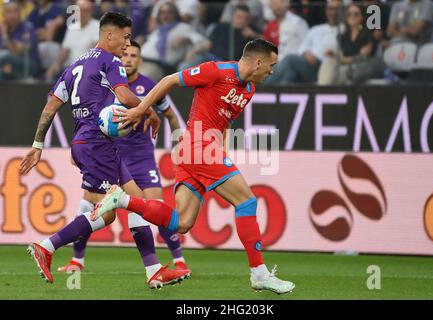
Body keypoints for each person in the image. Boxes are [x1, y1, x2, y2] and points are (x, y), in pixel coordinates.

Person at [92, 39, 296, 294]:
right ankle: (259, 273)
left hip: (201, 152)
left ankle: (122, 201)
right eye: (271, 65)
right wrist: (140, 110)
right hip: (198, 146)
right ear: (258, 62)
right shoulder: (216, 71)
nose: (273, 71)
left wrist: (224, 152)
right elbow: (168, 80)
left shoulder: (248, 90)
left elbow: (225, 122)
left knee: (182, 223)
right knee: (247, 202)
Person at [20, 12, 191, 289]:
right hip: (95, 143)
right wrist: (148, 110)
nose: (127, 45)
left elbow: (50, 107)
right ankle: (47, 246)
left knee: (135, 199)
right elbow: (124, 97)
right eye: (124, 37)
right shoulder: (111, 61)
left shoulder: (75, 64)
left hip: (90, 142)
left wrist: (38, 145)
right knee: (109, 212)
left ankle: (153, 269)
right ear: (109, 35)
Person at [56, 40, 189, 278]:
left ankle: (178, 261)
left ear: (140, 60)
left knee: (154, 205)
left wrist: (180, 143)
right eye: (125, 54)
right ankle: (77, 259)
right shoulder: (106, 85)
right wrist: (82, 150)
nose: (128, 59)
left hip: (142, 157)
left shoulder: (150, 86)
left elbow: (170, 115)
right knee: (90, 203)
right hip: (111, 154)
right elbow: (88, 120)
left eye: (134, 56)